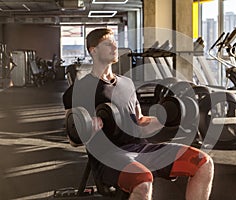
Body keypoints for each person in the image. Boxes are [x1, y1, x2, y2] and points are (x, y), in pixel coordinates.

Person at [63, 28, 214, 200]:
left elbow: (140, 123)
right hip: (109, 156)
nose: (114, 47)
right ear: (93, 50)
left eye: (115, 43)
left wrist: (166, 118)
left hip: (141, 148)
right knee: (143, 181)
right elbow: (72, 138)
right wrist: (89, 128)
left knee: (203, 162)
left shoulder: (127, 83)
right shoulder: (78, 91)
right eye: (108, 44)